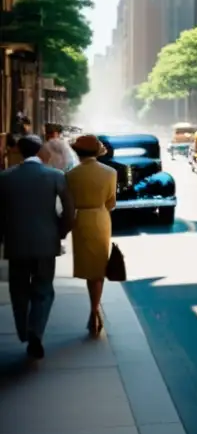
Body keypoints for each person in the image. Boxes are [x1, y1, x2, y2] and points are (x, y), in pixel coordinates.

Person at [0, 135, 76, 359]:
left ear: (19, 152)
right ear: (40, 151)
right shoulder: (55, 176)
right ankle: (36, 332)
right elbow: (69, 212)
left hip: (16, 244)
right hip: (46, 243)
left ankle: (23, 330)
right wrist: (59, 233)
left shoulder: (5, 178)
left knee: (19, 289)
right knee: (43, 290)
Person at [66, 135, 118, 336]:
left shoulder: (71, 175)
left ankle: (94, 311)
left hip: (81, 220)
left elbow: (68, 202)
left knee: (88, 268)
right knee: (98, 268)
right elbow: (111, 202)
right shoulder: (110, 172)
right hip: (100, 218)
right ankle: (95, 310)